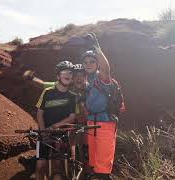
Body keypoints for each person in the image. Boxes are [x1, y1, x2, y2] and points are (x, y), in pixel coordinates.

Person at [82, 33, 122, 180]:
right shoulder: (88, 81)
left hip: (105, 124)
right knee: (93, 164)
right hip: (91, 124)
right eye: (85, 62)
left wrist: (97, 48)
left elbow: (106, 67)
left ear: (97, 63)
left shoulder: (102, 77)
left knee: (103, 168)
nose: (88, 64)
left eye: (92, 61)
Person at [35, 60, 76, 180]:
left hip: (60, 135)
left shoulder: (72, 96)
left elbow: (72, 117)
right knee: (40, 166)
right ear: (58, 76)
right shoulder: (47, 92)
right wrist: (43, 133)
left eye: (70, 72)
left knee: (58, 167)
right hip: (44, 133)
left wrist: (54, 127)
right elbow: (39, 114)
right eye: (64, 71)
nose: (68, 74)